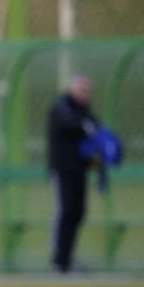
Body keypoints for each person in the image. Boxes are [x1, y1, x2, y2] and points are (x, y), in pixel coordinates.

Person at [47, 74, 96, 273]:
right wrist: (85, 128)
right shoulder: (61, 107)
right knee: (64, 212)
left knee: (78, 212)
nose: (85, 94)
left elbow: (94, 128)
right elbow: (69, 126)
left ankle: (67, 258)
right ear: (72, 88)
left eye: (87, 90)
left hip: (79, 170)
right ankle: (58, 259)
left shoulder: (84, 111)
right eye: (81, 89)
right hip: (63, 170)